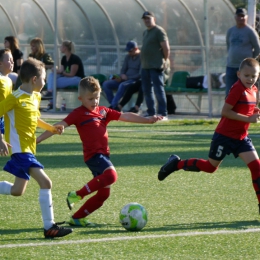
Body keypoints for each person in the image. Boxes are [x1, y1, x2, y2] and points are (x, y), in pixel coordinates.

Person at [37, 76, 163, 227]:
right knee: (111, 175)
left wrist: (147, 119)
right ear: (80, 99)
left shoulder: (103, 111)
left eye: (97, 97)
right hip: (93, 156)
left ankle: (77, 218)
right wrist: (37, 140)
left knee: (104, 194)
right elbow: (57, 126)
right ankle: (76, 195)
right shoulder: (78, 113)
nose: (94, 102)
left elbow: (126, 116)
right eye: (90, 98)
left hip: (104, 155)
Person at [158, 58, 260, 213]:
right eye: (247, 75)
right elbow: (225, 112)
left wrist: (255, 113)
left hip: (241, 137)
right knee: (210, 167)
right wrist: (248, 119)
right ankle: (175, 164)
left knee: (256, 167)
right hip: (224, 136)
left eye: (254, 76)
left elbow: (249, 109)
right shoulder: (237, 89)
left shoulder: (254, 90)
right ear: (238, 74)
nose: (250, 79)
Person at [0, 58, 73, 238]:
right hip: (20, 151)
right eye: (43, 78)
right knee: (46, 182)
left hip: (29, 149)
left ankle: (50, 227)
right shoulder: (14, 98)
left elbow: (35, 119)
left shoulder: (36, 96)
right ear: (34, 79)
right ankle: (49, 227)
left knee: (18, 191)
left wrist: (52, 129)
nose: (45, 82)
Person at [141, 11, 170, 118]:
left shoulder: (159, 31)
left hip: (156, 66)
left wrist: (164, 61)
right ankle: (151, 112)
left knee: (158, 90)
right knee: (147, 90)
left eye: (148, 18)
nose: (146, 20)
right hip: (145, 66)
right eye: (145, 19)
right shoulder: (145, 32)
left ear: (154, 19)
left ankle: (162, 113)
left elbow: (166, 48)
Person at [225, 8, 260, 96]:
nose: (241, 18)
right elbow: (228, 46)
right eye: (239, 16)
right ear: (235, 17)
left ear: (246, 17)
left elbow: (257, 48)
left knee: (245, 94)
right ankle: (229, 110)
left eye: (242, 16)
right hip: (231, 67)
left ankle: (248, 109)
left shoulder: (250, 31)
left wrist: (249, 61)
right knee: (229, 93)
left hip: (245, 69)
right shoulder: (230, 31)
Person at [42, 40, 85, 110]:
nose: (60, 48)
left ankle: (51, 102)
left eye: (61, 46)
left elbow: (72, 74)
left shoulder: (75, 58)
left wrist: (61, 72)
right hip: (67, 77)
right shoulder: (64, 58)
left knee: (54, 83)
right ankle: (50, 92)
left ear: (65, 48)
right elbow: (61, 71)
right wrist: (55, 70)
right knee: (52, 74)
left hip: (76, 79)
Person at [102, 41, 141, 111]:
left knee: (122, 85)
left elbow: (140, 74)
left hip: (133, 80)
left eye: (130, 51)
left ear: (136, 49)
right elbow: (123, 69)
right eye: (128, 51)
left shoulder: (142, 58)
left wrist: (128, 78)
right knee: (106, 83)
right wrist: (122, 75)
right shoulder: (128, 57)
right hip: (123, 77)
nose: (129, 52)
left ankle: (113, 106)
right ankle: (113, 104)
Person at [0, 49, 13, 135]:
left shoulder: (9, 80)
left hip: (4, 118)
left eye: (12, 60)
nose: (12, 62)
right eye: (9, 60)